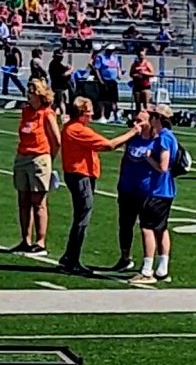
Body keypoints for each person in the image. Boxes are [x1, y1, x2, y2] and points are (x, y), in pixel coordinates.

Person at [58, 97, 143, 272]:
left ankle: (69, 256)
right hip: (80, 175)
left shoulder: (74, 127)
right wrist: (133, 132)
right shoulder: (77, 129)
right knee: (82, 217)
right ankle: (71, 258)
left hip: (80, 174)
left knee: (81, 215)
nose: (91, 115)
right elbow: (108, 145)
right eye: (89, 112)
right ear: (81, 113)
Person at [129, 105, 180, 285]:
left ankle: (147, 269)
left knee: (147, 228)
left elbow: (163, 167)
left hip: (158, 190)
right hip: (164, 190)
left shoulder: (164, 138)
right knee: (161, 228)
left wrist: (149, 157)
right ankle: (162, 267)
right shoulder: (166, 136)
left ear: (157, 118)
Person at [12, 78, 61, 255]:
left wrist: (48, 159)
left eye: (32, 92)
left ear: (40, 94)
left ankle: (40, 242)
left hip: (39, 157)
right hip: (23, 157)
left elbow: (56, 140)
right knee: (23, 201)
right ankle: (25, 239)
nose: (29, 94)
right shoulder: (26, 112)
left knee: (38, 202)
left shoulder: (46, 113)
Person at [114, 108, 156, 272]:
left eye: (140, 120)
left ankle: (148, 263)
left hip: (145, 190)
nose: (136, 123)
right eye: (135, 120)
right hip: (127, 188)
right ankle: (125, 257)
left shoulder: (156, 140)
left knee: (147, 227)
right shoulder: (132, 138)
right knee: (125, 225)